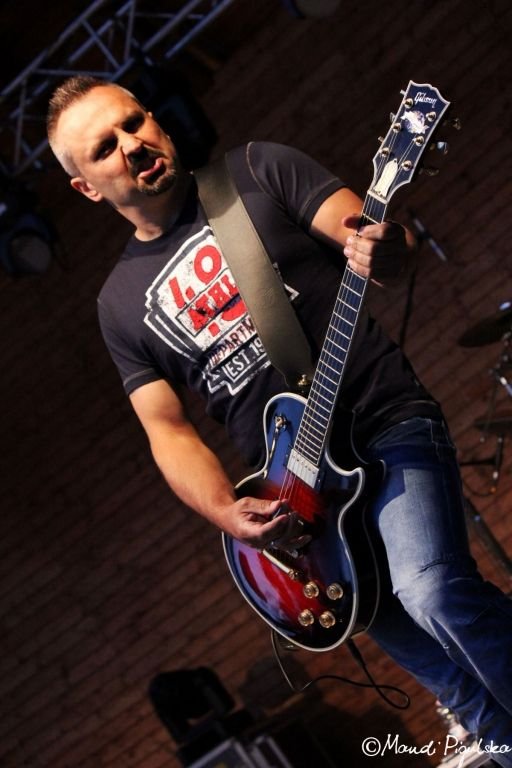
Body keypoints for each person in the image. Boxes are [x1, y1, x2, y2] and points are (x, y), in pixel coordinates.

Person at [47, 76, 512, 765]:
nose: (131, 143)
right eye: (105, 147)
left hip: (384, 424)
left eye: (134, 121)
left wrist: (389, 248)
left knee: (432, 590)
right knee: (447, 679)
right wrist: (226, 512)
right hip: (304, 504)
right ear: (87, 187)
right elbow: (167, 430)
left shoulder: (258, 170)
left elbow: (375, 238)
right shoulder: (118, 305)